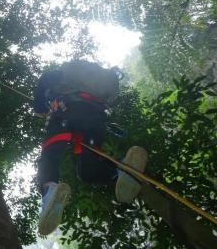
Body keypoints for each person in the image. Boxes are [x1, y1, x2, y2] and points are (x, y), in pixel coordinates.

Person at [33, 60, 148, 235]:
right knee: (88, 172)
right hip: (95, 118)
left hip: (67, 111)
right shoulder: (90, 79)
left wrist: (39, 107)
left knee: (50, 153)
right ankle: (119, 168)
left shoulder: (62, 74)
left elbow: (45, 80)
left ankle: (49, 189)